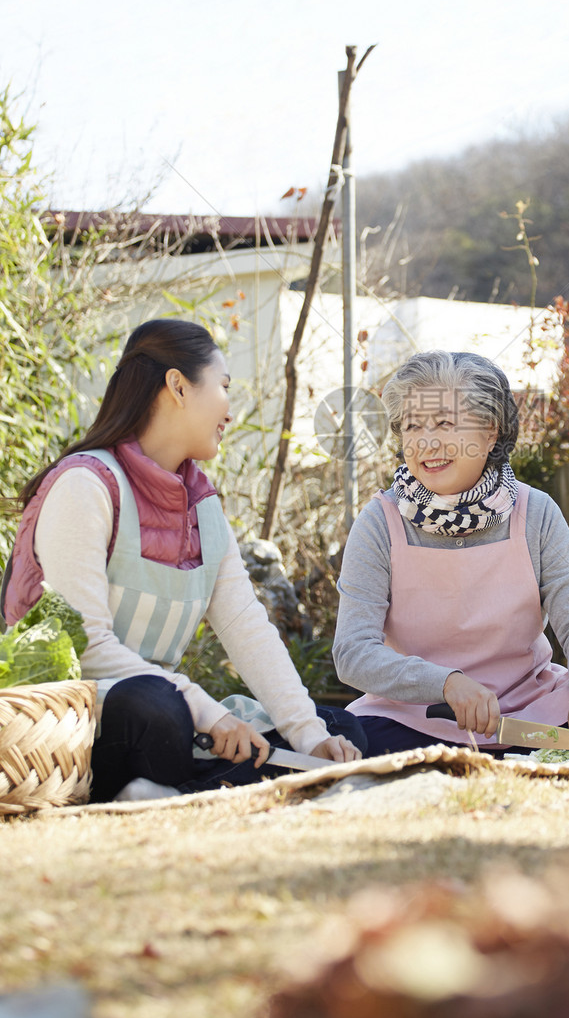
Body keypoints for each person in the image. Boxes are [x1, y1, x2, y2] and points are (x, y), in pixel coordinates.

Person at [3, 319, 366, 801]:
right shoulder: (85, 486)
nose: (229, 410)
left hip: (174, 714)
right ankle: (200, 789)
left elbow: (246, 625)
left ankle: (171, 792)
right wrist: (203, 708)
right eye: (224, 387)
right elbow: (85, 643)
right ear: (177, 386)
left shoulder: (203, 506)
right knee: (155, 708)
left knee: (344, 731)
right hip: (73, 725)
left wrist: (309, 735)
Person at [333, 350, 569, 755]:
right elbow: (353, 653)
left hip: (528, 708)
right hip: (420, 714)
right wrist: (446, 683)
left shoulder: (535, 512)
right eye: (412, 426)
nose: (426, 442)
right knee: (352, 735)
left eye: (445, 423)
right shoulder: (379, 522)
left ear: (490, 433)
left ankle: (515, 747)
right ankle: (513, 754)